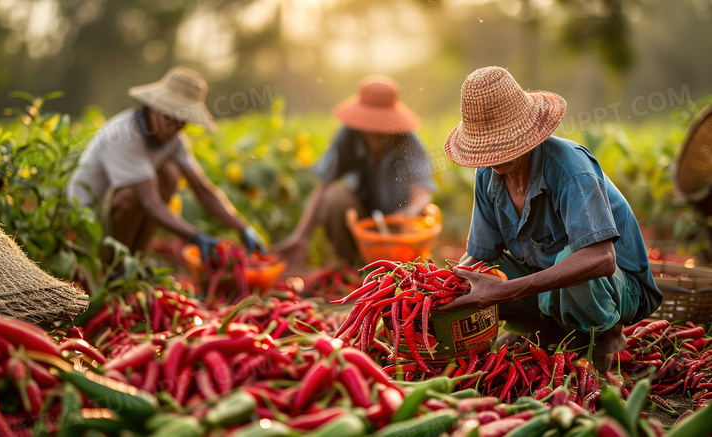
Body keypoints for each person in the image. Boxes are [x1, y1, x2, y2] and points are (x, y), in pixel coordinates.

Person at [438, 66, 663, 370]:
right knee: (483, 273)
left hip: (617, 287)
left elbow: (601, 259)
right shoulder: (488, 178)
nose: (495, 157)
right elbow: (480, 256)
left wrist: (506, 290)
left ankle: (606, 334)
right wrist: (436, 291)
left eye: (502, 144)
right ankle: (545, 329)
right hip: (546, 281)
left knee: (573, 261)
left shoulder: (570, 168)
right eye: (487, 148)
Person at [67, 66, 266, 263]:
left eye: (181, 123)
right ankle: (114, 267)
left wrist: (243, 228)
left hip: (117, 218)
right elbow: (150, 203)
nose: (173, 129)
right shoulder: (124, 134)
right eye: (168, 119)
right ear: (153, 107)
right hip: (87, 223)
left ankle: (135, 262)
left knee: (170, 172)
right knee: (131, 195)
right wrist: (195, 237)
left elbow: (202, 189)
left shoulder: (174, 140)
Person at [274, 75, 436, 271]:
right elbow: (324, 186)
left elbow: (422, 192)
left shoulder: (407, 141)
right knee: (334, 198)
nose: (375, 136)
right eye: (371, 129)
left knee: (404, 259)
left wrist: (407, 214)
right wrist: (301, 237)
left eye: (381, 130)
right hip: (363, 221)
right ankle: (354, 265)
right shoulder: (349, 136)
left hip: (399, 224)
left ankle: (397, 268)